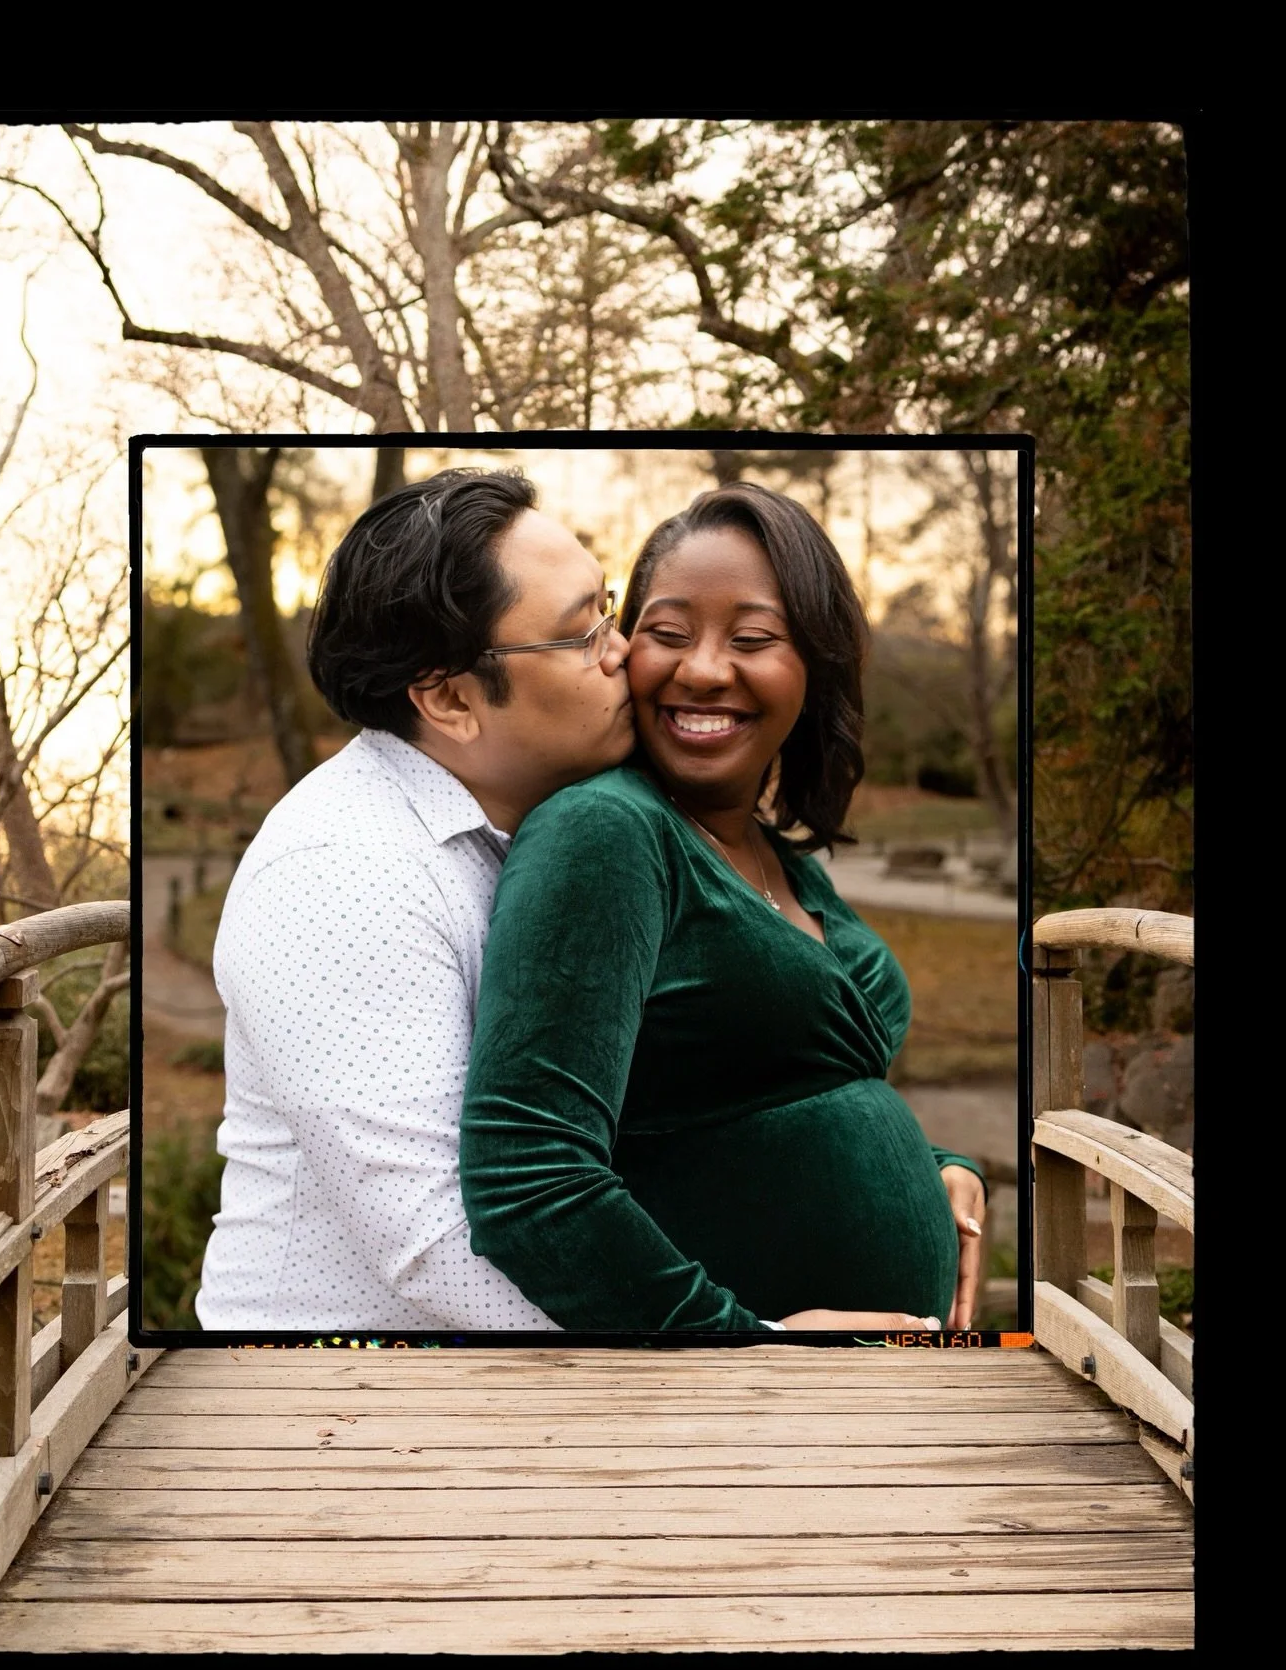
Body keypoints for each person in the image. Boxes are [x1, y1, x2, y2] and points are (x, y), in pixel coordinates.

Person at [459, 481, 989, 1333]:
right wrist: (744, 1345)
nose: (702, 670)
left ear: (813, 666)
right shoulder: (606, 832)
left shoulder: (776, 854)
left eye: (752, 639)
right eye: (667, 634)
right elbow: (528, 1175)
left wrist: (936, 1170)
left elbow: (742, 1100)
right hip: (723, 1397)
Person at [195, 467, 636, 1330]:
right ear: (449, 699)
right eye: (582, 633)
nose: (623, 652)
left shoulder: (544, 821)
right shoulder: (338, 875)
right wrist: (731, 1345)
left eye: (609, 609)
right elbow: (437, 1249)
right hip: (323, 1392)